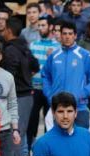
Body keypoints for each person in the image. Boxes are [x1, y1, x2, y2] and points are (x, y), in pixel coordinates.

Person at [0, 18, 40, 156]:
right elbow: (36, 66)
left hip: (18, 95)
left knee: (14, 133)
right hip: (27, 95)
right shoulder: (25, 48)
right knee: (19, 133)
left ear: (9, 31)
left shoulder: (10, 50)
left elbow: (9, 74)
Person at [41, 20, 90, 129]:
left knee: (80, 143)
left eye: (70, 34)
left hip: (79, 107)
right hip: (58, 108)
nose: (67, 37)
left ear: (75, 36)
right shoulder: (54, 56)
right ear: (60, 35)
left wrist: (80, 95)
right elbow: (45, 76)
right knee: (59, 143)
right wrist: (50, 96)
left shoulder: (85, 55)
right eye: (64, 34)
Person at [29, 16, 61, 145]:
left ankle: (49, 146)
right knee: (32, 120)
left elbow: (59, 70)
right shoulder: (32, 45)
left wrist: (51, 58)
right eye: (39, 25)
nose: (41, 28)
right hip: (35, 88)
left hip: (51, 90)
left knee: (50, 121)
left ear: (50, 27)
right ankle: (30, 147)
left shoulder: (58, 46)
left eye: (43, 25)